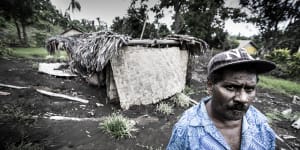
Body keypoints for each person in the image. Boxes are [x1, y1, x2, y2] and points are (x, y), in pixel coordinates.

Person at [167, 48, 276, 150]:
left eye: (249, 89)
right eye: (231, 87)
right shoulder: (186, 130)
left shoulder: (261, 124)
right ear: (210, 86)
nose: (243, 99)